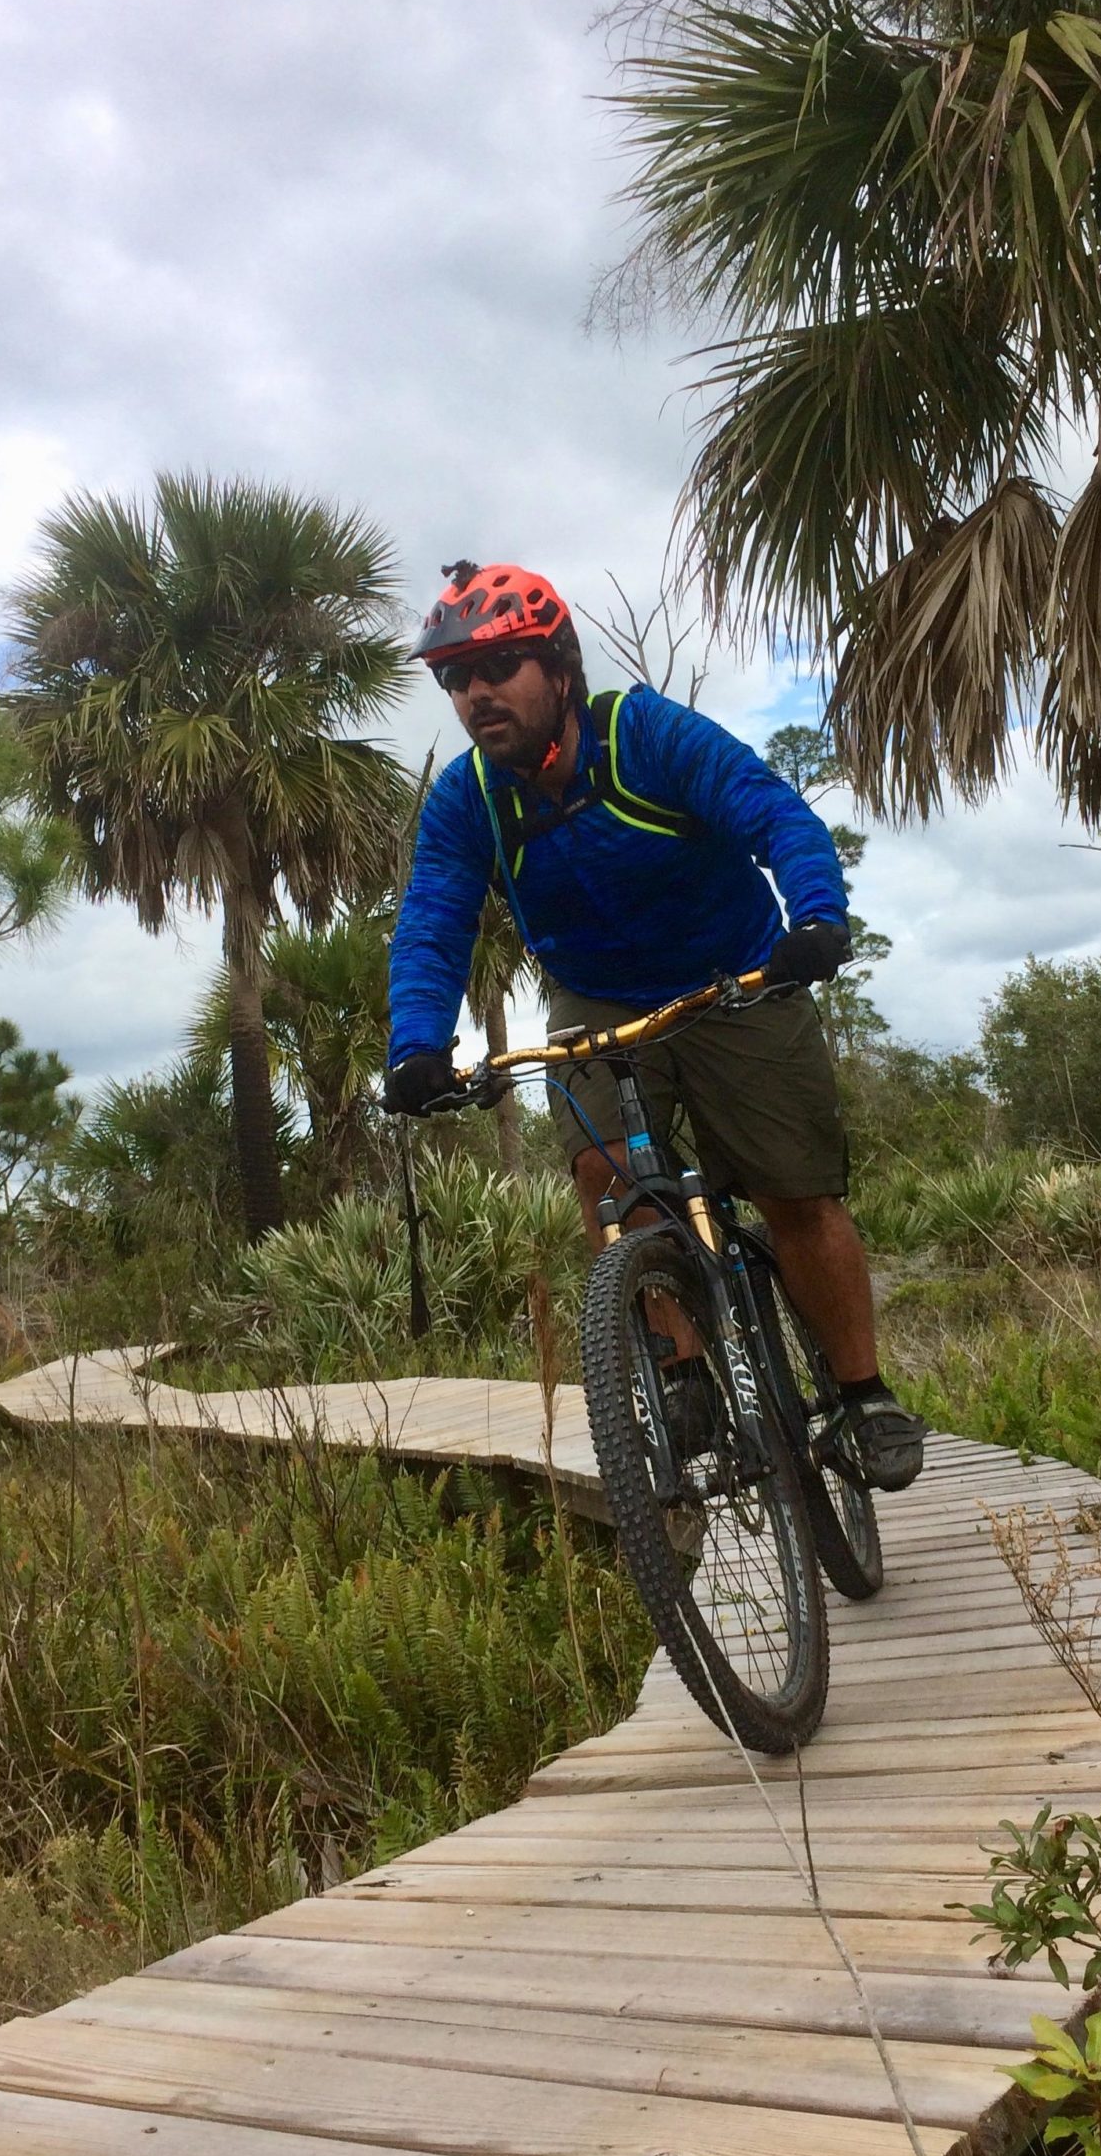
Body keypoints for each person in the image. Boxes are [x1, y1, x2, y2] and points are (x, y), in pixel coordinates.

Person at [382, 559, 924, 1493]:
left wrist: (818, 917)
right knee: (605, 1172)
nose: (476, 694)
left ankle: (862, 1395)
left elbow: (771, 810)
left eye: (499, 666)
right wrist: (417, 1045)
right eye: (456, 679)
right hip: (595, 995)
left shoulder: (644, 736)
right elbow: (434, 916)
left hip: (736, 976)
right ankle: (684, 1377)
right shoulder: (470, 797)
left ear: (559, 669)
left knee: (796, 1198)